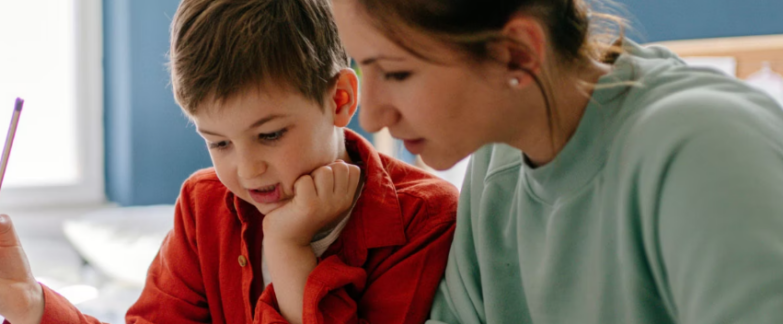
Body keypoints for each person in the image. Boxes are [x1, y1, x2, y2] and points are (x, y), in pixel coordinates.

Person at [0, 0, 460, 323]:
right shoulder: (205, 204)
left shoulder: (425, 219)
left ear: (341, 101)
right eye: (219, 143)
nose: (247, 170)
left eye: (270, 134)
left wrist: (288, 248)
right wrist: (30, 305)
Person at [329, 0, 783, 323]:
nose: (373, 115)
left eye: (397, 72)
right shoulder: (496, 164)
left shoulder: (703, 150)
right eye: (368, 71)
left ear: (517, 53)